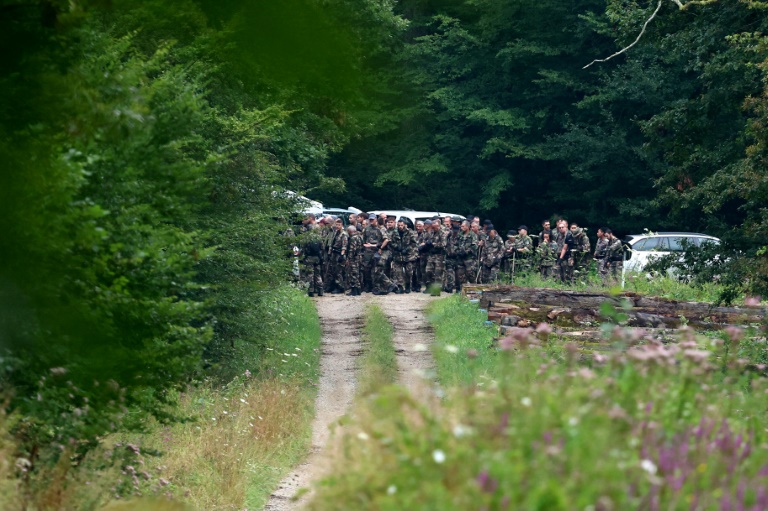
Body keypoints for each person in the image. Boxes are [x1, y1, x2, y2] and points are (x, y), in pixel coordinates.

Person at [390, 217, 419, 293]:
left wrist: (407, 249)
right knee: (398, 272)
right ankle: (400, 287)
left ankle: (408, 285)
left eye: (401, 225)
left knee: (409, 272)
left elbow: (414, 243)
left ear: (405, 225)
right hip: (398, 255)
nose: (400, 227)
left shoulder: (411, 232)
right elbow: (391, 242)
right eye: (399, 225)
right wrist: (396, 246)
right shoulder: (394, 232)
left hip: (408, 256)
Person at [422, 220, 446, 293]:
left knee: (438, 273)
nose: (433, 228)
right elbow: (427, 241)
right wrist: (427, 244)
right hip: (431, 255)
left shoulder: (442, 233)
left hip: (439, 256)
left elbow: (443, 244)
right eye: (432, 226)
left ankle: (436, 290)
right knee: (428, 271)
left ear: (438, 225)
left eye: (434, 227)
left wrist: (433, 244)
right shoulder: (431, 232)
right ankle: (430, 287)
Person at [362, 214, 384, 293]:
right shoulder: (366, 229)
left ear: (376, 220)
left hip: (377, 251)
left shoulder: (380, 229)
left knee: (376, 269)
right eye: (370, 220)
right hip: (368, 251)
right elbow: (363, 239)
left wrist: (377, 246)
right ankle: (368, 285)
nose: (371, 221)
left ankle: (376, 286)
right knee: (366, 269)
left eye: (372, 219)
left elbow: (384, 241)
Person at [456, 220, 479, 288]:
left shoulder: (473, 235)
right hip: (460, 258)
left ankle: (474, 290)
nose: (461, 227)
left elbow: (475, 246)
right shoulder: (460, 235)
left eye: (463, 226)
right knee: (460, 275)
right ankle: (463, 290)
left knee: (470, 275)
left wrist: (466, 251)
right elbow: (455, 244)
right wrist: (458, 251)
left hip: (469, 259)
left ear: (467, 227)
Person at [556, 220, 575, 284]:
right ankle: (563, 284)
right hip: (560, 255)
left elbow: (565, 248)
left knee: (569, 272)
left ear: (566, 227)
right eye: (559, 228)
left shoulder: (569, 235)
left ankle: (570, 284)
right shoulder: (558, 235)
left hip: (569, 256)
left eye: (562, 227)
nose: (561, 229)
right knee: (561, 272)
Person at [345, 225, 363, 295]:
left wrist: (349, 259)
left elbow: (352, 250)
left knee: (353, 274)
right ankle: (358, 289)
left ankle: (354, 290)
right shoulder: (359, 237)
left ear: (350, 231)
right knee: (357, 273)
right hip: (359, 257)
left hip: (354, 258)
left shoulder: (353, 238)